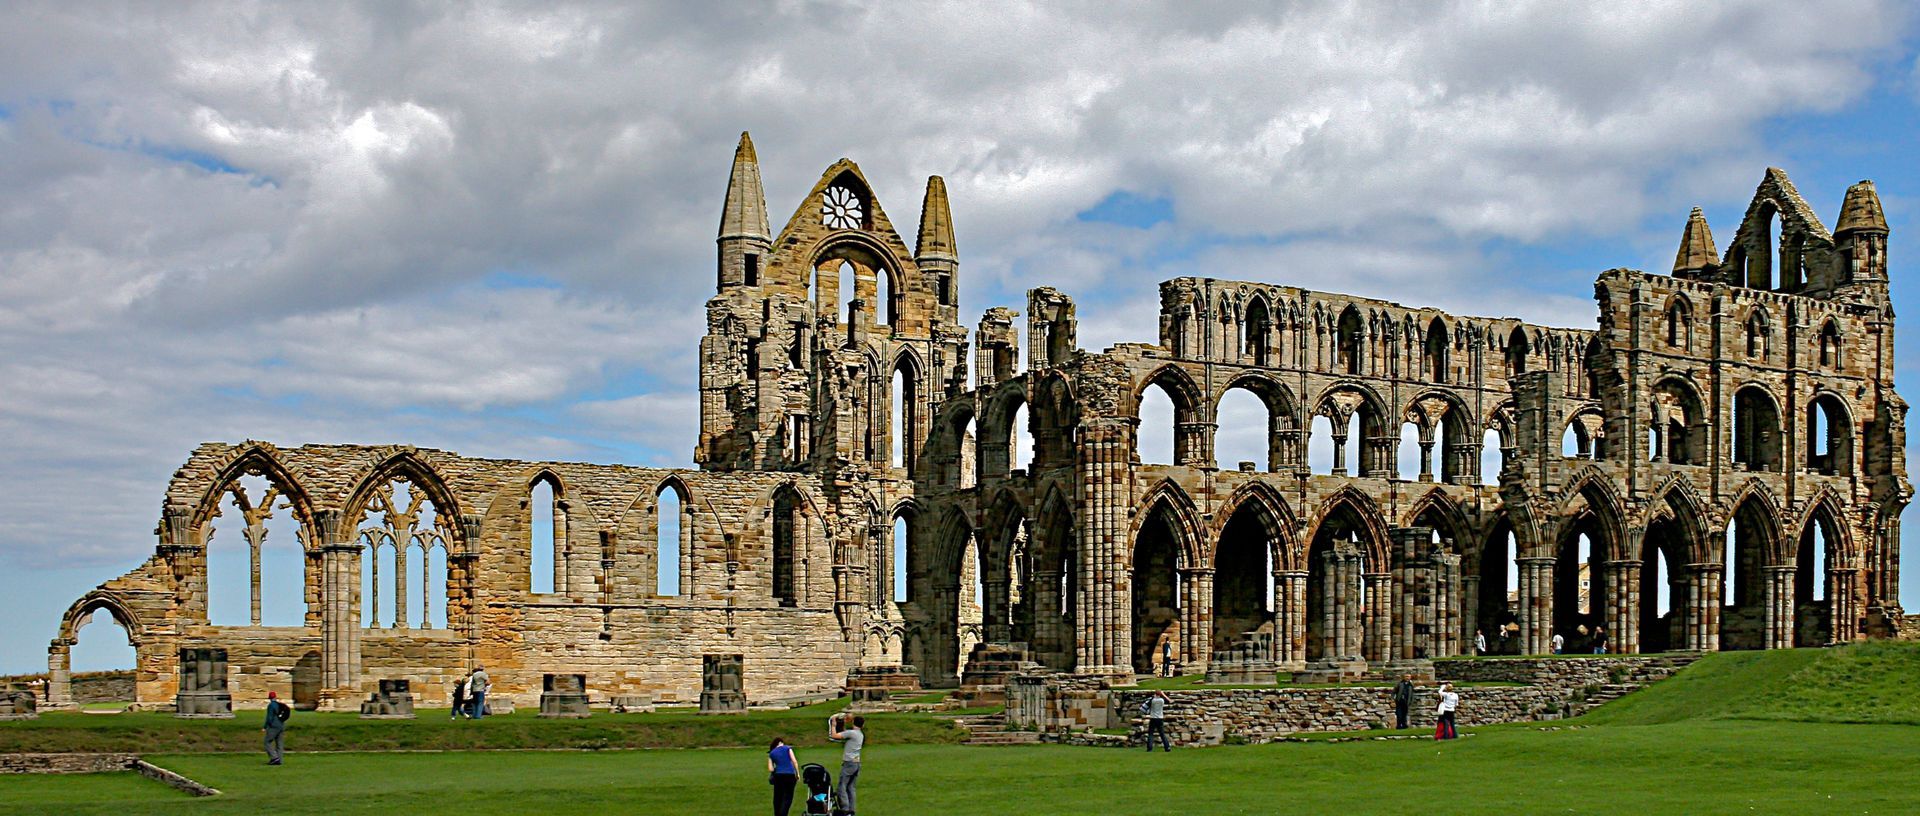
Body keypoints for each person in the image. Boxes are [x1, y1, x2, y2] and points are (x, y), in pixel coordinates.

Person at [828, 713, 864, 815]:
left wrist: (834, 725)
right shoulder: (859, 734)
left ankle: (845, 809)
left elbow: (834, 735)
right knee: (851, 787)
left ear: (853, 722)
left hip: (849, 763)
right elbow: (845, 733)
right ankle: (852, 810)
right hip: (856, 763)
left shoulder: (852, 733)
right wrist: (843, 724)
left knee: (841, 787)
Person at [767, 736, 799, 816]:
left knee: (778, 797)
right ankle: (783, 814)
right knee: (787, 797)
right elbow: (794, 761)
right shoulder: (788, 748)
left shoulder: (772, 753)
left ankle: (777, 813)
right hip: (790, 775)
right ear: (780, 742)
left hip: (778, 776)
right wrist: (797, 773)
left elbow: (770, 769)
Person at [262, 690, 292, 765]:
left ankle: (274, 757)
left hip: (274, 725)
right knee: (279, 743)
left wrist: (265, 727)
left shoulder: (271, 705)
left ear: (269, 698)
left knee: (267, 742)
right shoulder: (279, 705)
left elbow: (269, 717)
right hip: (281, 725)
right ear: (275, 697)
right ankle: (279, 760)